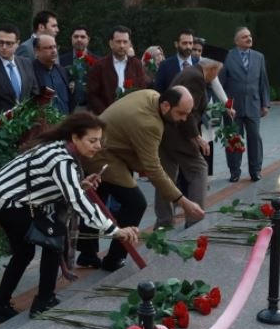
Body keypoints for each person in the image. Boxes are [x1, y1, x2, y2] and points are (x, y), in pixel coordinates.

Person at [0, 113, 140, 323]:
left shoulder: (61, 150)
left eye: (99, 140)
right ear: (74, 138)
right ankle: (36, 302)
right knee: (44, 242)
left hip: (9, 198)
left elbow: (63, 188)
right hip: (9, 202)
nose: (98, 146)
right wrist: (115, 230)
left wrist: (80, 185)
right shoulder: (61, 160)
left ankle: (9, 305)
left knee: (36, 246)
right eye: (92, 141)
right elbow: (77, 201)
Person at [76, 86, 205, 271]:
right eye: (181, 113)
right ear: (166, 105)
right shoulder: (150, 123)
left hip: (105, 148)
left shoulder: (152, 95)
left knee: (97, 201)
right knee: (135, 203)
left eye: (187, 114)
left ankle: (87, 254)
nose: (184, 119)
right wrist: (183, 202)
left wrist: (140, 166)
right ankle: (114, 259)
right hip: (102, 155)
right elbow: (154, 169)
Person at [155, 65, 210, 229]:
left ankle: (164, 223)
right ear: (214, 68)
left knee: (166, 176)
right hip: (178, 134)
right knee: (199, 169)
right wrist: (197, 137)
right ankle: (195, 220)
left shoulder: (189, 71)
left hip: (166, 132)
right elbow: (187, 112)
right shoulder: (197, 78)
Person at [219, 26, 271, 182]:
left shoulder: (259, 57)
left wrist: (265, 104)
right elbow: (220, 83)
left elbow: (263, 81)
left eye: (249, 36)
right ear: (236, 41)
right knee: (234, 139)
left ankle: (255, 170)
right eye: (244, 37)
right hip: (233, 108)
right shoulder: (227, 56)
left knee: (255, 138)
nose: (249, 38)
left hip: (254, 105)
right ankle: (234, 171)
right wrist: (225, 106)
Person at [0, 23, 37, 114]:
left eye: (8, 43)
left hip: (26, 124)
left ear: (17, 43)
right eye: (0, 42)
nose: (4, 47)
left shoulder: (26, 63)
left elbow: (34, 94)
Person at [86, 26, 146, 114]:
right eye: (118, 42)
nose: (122, 45)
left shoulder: (136, 65)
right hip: (106, 117)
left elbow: (142, 91)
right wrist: (105, 114)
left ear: (129, 44)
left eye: (125, 42)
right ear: (111, 43)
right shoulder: (99, 66)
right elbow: (92, 94)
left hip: (131, 115)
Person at [31, 34, 73, 115]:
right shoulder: (30, 72)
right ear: (36, 51)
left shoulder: (62, 70)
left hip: (65, 122)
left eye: (55, 47)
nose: (54, 51)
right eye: (49, 48)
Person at [59, 26, 97, 109]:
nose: (79, 39)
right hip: (69, 108)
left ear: (88, 39)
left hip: (91, 109)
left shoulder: (98, 61)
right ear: (71, 39)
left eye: (83, 37)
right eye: (76, 37)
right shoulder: (61, 61)